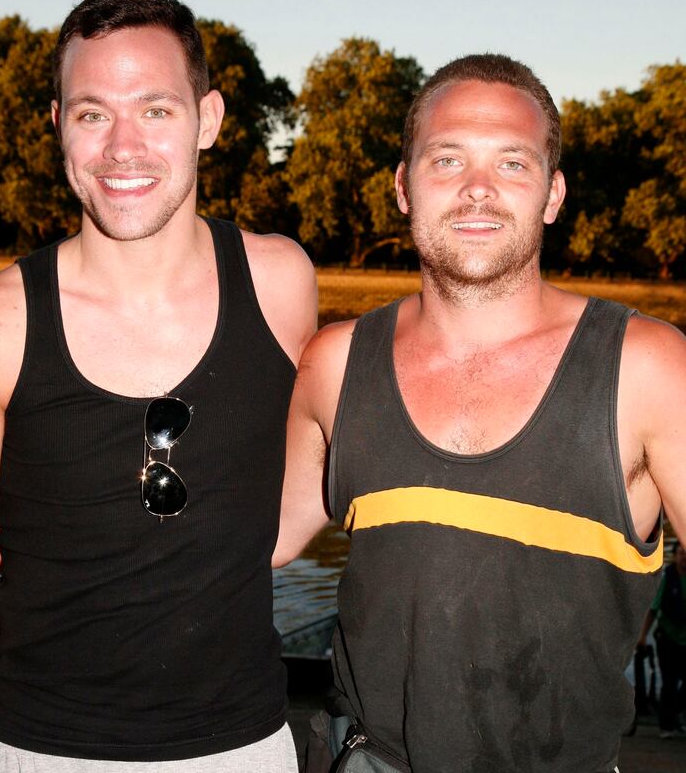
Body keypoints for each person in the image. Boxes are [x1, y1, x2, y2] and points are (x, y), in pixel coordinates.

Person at [0, 0, 316, 773]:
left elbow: (299, 481)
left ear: (208, 120)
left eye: (156, 111)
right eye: (93, 113)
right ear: (59, 124)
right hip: (34, 748)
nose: (122, 147)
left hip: (243, 748)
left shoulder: (280, 282)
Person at [274, 53, 686, 772]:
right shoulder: (335, 363)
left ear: (553, 194)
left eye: (512, 165)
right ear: (403, 186)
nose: (476, 191)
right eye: (447, 160)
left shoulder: (649, 368)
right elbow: (260, 538)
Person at [638, 540, 686, 738]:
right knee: (669, 680)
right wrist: (642, 637)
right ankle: (666, 725)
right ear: (675, 556)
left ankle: (674, 716)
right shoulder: (667, 578)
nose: (684, 558)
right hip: (667, 637)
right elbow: (653, 609)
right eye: (681, 553)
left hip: (685, 639)